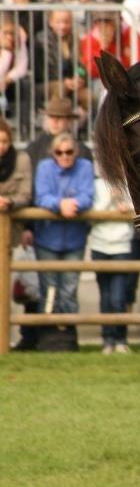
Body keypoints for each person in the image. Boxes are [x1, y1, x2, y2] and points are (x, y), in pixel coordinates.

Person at [32, 131, 94, 321]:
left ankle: (67, 331)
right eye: (59, 152)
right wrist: (60, 204)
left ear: (75, 152)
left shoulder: (85, 166)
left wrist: (73, 204)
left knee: (69, 288)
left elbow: (88, 196)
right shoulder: (44, 167)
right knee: (49, 288)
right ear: (53, 153)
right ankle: (48, 332)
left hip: (75, 239)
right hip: (47, 238)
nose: (65, 156)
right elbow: (41, 196)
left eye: (69, 152)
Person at [0, 117, 36, 351]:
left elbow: (26, 194)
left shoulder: (21, 159)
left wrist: (9, 201)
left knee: (12, 288)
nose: (1, 145)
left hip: (12, 232)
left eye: (4, 141)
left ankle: (12, 338)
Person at [89, 175, 134, 353]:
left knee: (119, 297)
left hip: (121, 245)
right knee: (105, 296)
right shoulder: (96, 184)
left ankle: (121, 339)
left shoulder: (127, 183)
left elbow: (137, 209)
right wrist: (110, 200)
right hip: (99, 245)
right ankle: (107, 340)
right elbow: (91, 216)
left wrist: (126, 207)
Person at [35, 9, 91, 108]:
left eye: (66, 22)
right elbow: (46, 71)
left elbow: (80, 65)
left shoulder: (74, 39)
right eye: (58, 22)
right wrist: (65, 81)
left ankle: (84, 123)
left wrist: (79, 77)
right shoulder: (42, 39)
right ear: (50, 22)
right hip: (46, 83)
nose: (63, 26)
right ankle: (55, 121)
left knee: (89, 97)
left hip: (70, 84)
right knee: (61, 88)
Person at [25, 94, 92, 171]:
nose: (55, 121)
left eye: (59, 117)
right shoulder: (34, 147)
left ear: (69, 121)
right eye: (51, 116)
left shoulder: (82, 150)